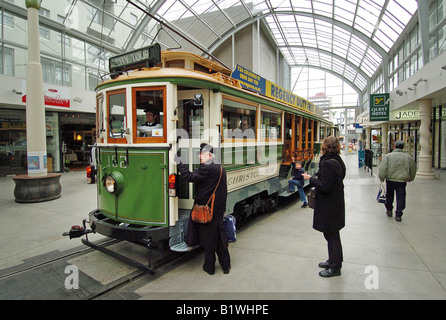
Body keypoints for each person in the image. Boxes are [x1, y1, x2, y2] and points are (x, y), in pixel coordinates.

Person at [175, 143, 231, 275]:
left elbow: (188, 177)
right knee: (219, 239)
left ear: (209, 155)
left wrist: (179, 162)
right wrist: (222, 209)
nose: (200, 156)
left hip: (207, 210)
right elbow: (224, 191)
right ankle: (225, 266)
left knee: (209, 240)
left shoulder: (207, 168)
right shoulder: (220, 168)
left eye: (202, 154)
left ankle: (210, 267)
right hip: (216, 210)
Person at [303, 136, 346, 278]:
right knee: (332, 234)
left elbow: (325, 186)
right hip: (335, 204)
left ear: (326, 147)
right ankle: (333, 260)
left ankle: (335, 267)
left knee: (331, 235)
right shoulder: (337, 160)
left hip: (330, 205)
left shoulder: (328, 164)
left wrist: (312, 179)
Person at [378, 140, 416, 222]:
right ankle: (399, 214)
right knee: (401, 197)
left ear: (394, 146)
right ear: (403, 147)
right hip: (402, 181)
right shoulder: (408, 157)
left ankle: (389, 210)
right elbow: (413, 169)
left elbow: (383, 167)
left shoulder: (388, 156)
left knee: (389, 195)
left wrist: (382, 177)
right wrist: (411, 178)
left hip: (390, 180)